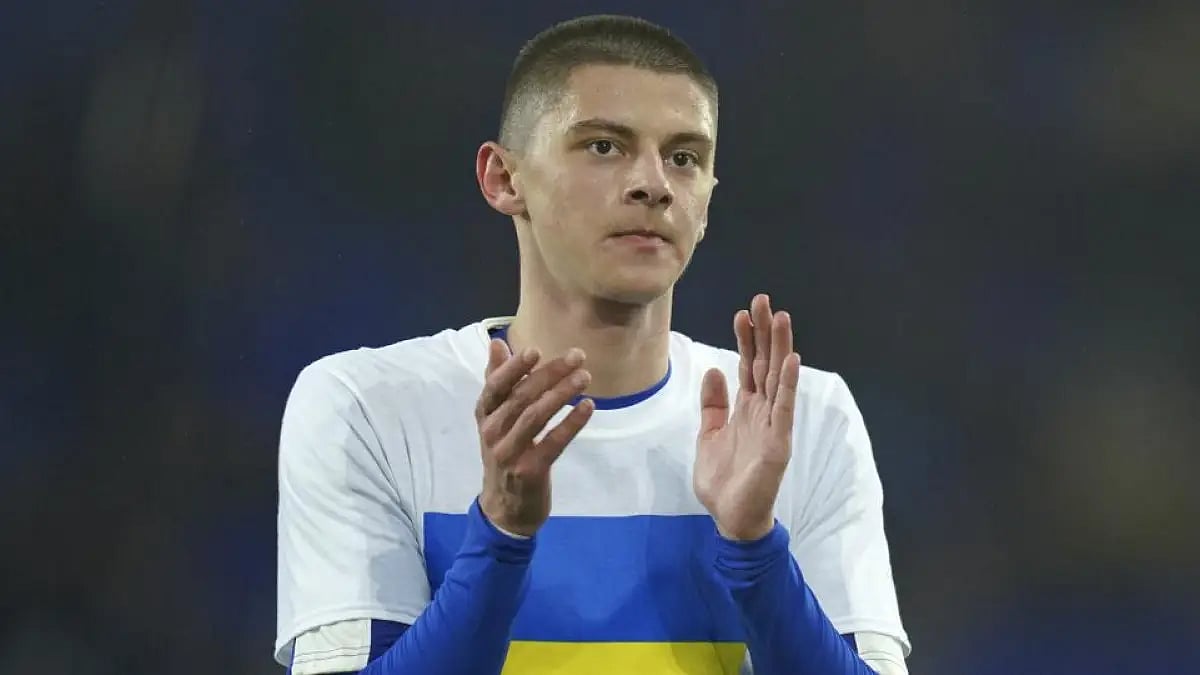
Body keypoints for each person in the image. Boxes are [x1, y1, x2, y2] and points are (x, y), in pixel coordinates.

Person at [275, 14, 911, 675]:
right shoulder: (368, 407)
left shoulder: (803, 419)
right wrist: (500, 536)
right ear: (503, 179)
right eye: (605, 146)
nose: (653, 183)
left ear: (707, 199)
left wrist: (754, 548)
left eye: (684, 157)